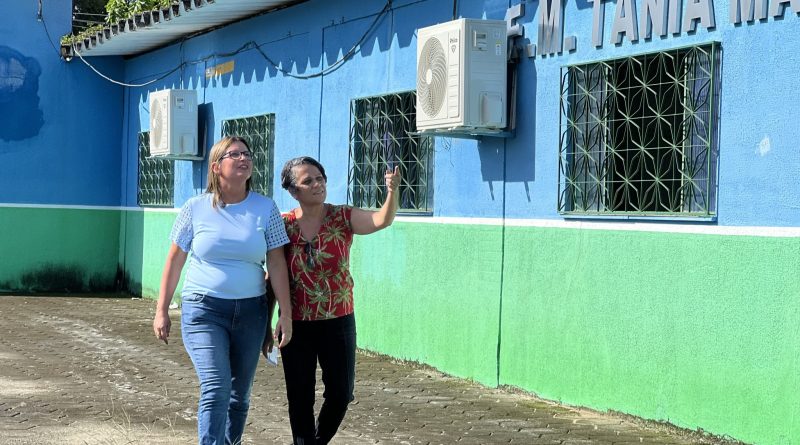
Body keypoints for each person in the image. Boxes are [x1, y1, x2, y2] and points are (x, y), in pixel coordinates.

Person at [152, 136, 293, 445]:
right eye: (235, 154)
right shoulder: (195, 208)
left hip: (251, 313)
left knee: (239, 395)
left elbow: (278, 265)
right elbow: (175, 260)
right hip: (203, 309)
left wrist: (285, 314)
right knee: (216, 385)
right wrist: (161, 309)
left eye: (247, 153)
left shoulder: (265, 208)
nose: (244, 158)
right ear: (216, 167)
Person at [278, 156, 401, 444]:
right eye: (308, 180)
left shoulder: (341, 217)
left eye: (320, 178)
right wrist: (270, 324)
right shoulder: (283, 226)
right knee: (299, 395)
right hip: (297, 322)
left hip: (339, 320)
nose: (318, 184)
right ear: (293, 190)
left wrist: (392, 192)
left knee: (341, 393)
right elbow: (275, 276)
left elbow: (381, 220)